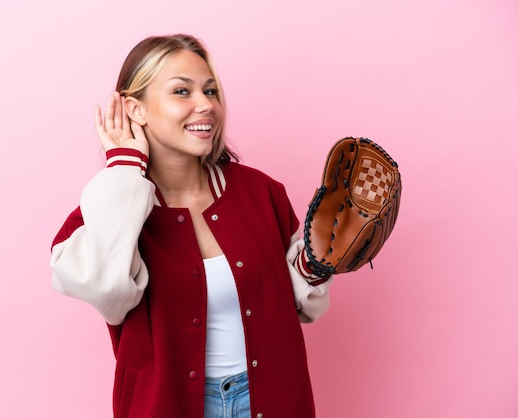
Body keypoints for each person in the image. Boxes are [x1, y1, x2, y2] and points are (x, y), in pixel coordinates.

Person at [50, 34, 332, 418]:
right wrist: (124, 168)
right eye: (182, 91)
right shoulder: (106, 210)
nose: (206, 106)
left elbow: (297, 305)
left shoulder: (261, 192)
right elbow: (108, 293)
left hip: (273, 400)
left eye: (211, 91)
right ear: (136, 109)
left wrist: (317, 264)